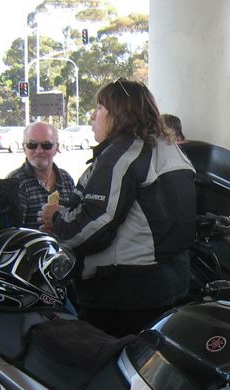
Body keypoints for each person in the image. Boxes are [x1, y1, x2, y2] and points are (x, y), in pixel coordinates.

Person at [40, 79, 197, 337]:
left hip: (122, 295)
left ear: (118, 113)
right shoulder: (169, 149)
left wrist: (56, 218)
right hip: (171, 283)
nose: (93, 117)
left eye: (99, 108)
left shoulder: (124, 153)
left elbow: (93, 226)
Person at [7, 121, 76, 227]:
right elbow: (12, 231)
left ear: (56, 148)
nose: (39, 151)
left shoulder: (67, 179)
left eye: (46, 145)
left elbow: (75, 220)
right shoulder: (15, 182)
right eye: (32, 145)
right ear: (24, 148)